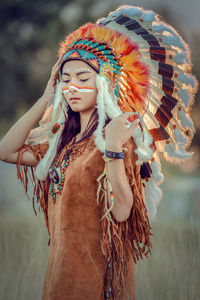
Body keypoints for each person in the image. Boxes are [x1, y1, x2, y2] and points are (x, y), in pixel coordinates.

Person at [0, 5, 197, 300]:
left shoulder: (117, 137)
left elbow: (121, 211)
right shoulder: (60, 144)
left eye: (83, 78)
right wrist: (45, 99)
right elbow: (6, 150)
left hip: (99, 282)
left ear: (104, 83)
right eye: (65, 80)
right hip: (59, 279)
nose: (72, 87)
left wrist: (115, 149)